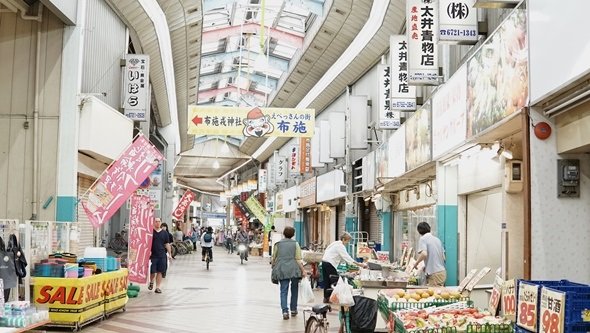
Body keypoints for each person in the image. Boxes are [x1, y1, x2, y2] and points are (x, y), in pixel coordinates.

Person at [321, 232, 367, 303]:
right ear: (343, 239)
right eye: (347, 240)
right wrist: (360, 265)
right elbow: (347, 258)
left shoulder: (335, 243)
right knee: (335, 281)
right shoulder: (340, 246)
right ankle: (334, 298)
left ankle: (326, 298)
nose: (347, 242)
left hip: (324, 262)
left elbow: (341, 257)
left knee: (327, 280)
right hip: (330, 263)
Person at [271, 226, 306, 320]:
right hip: (294, 269)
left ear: (283, 233)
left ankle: (285, 311)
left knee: (283, 290)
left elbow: (274, 258)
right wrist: (303, 270)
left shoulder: (278, 244)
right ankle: (293, 309)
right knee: (294, 290)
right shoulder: (296, 244)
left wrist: (273, 266)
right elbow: (298, 259)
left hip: (282, 269)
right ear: (293, 234)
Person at [412, 222, 446, 286]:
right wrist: (428, 266)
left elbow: (424, 254)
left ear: (419, 231)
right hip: (442, 272)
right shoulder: (437, 239)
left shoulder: (423, 239)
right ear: (429, 228)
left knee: (434, 294)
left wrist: (416, 263)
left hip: (434, 274)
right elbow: (443, 257)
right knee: (440, 294)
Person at [149, 218, 173, 294]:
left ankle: (158, 287)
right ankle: (151, 282)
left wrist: (170, 254)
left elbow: (167, 244)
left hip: (162, 255)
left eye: (159, 221)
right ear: (153, 222)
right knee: (152, 271)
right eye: (156, 221)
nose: (157, 223)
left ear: (161, 222)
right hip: (153, 255)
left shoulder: (165, 233)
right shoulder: (150, 232)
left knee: (160, 271)